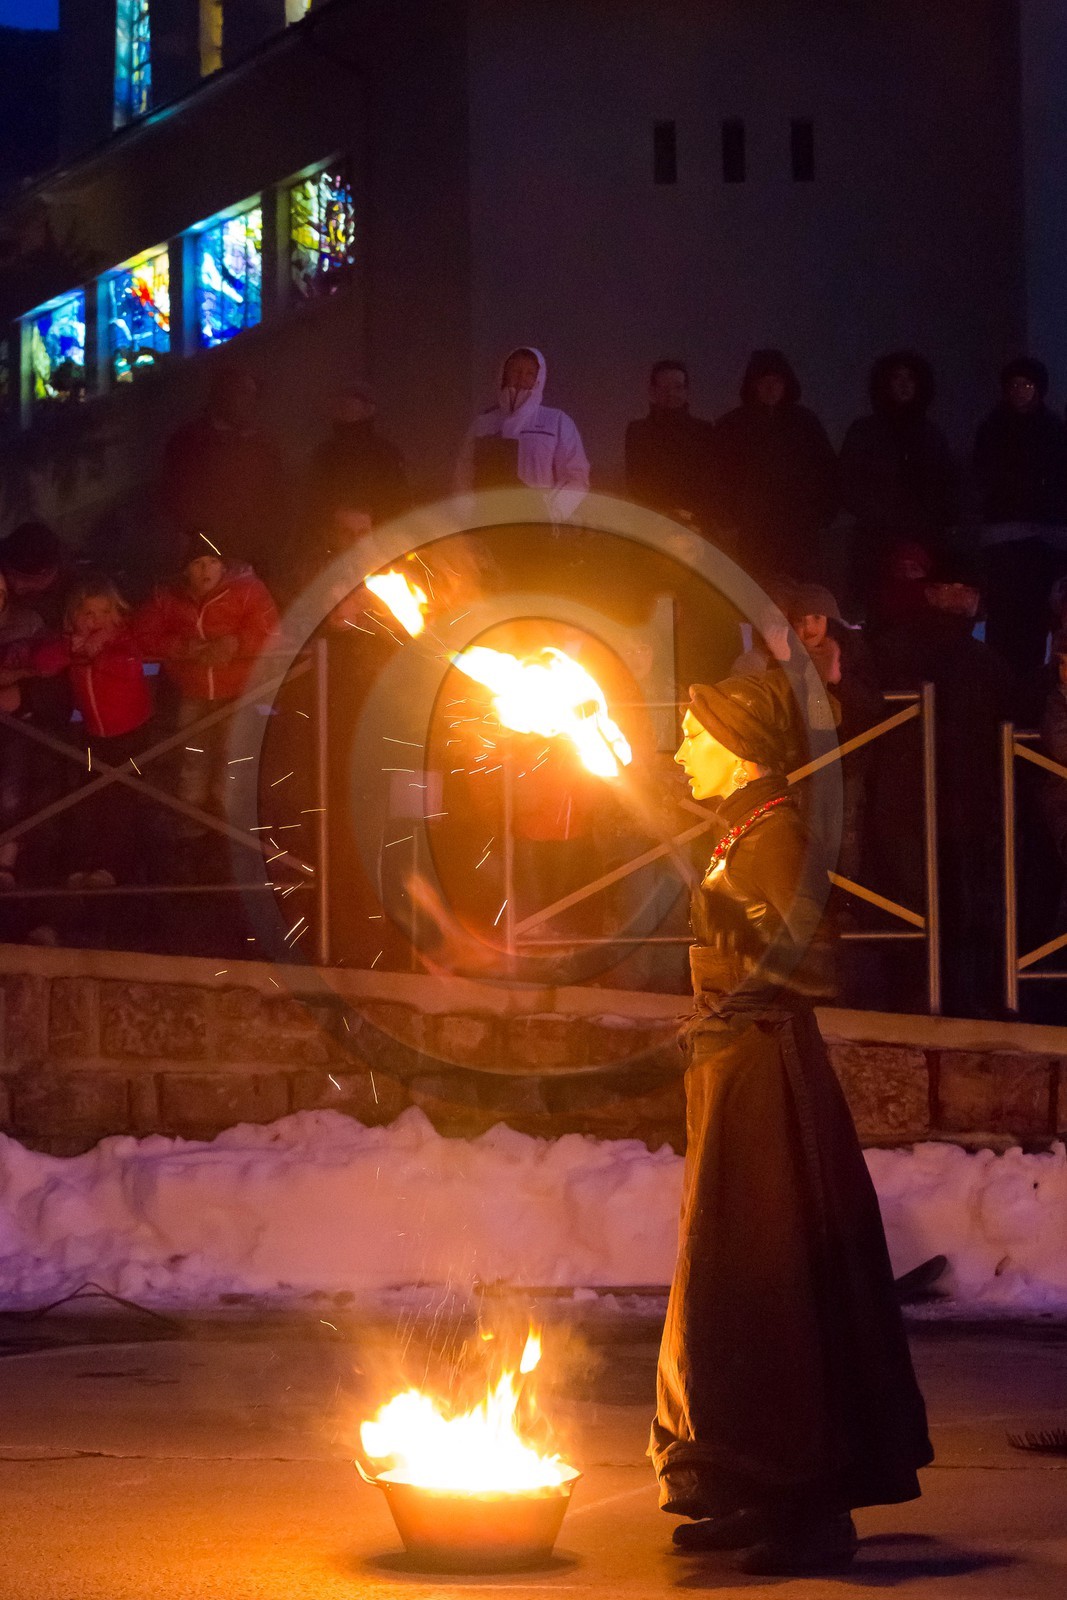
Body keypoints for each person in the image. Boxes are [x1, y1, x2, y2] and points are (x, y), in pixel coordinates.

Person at [653, 671, 931, 1575]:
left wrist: (738, 919)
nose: (679, 749)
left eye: (693, 734)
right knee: (730, 1283)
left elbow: (816, 965)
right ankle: (747, 1484)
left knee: (772, 1287)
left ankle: (806, 1508)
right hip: (733, 1077)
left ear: (738, 746)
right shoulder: (743, 826)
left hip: (768, 1083)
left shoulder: (773, 836)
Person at [872, 552, 1017, 1016]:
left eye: (969, 590)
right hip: (943, 801)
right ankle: (960, 999)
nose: (963, 598)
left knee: (930, 904)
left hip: (930, 801)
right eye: (954, 588)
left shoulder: (901, 649)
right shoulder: (968, 658)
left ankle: (929, 998)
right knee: (951, 905)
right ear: (932, 592)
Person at [134, 534, 280, 841]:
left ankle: (230, 824)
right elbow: (143, 633)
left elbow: (269, 628)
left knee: (233, 753)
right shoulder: (168, 597)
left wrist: (237, 643)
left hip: (240, 690)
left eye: (213, 561)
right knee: (193, 756)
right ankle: (193, 820)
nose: (206, 569)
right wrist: (179, 647)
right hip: (194, 691)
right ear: (185, 570)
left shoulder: (248, 590)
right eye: (198, 563)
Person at [12, 577, 153, 888]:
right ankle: (87, 863)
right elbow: (43, 662)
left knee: (121, 801)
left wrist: (97, 653)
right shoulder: (71, 642)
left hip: (130, 736)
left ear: (117, 612)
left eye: (103, 612)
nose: (96, 620)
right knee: (91, 799)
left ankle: (114, 869)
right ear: (73, 616)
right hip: (93, 735)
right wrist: (73, 650)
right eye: (87, 613)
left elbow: (129, 666)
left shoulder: (124, 640)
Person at [839, 351, 958, 615]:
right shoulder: (865, 431)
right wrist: (879, 514)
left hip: (924, 541)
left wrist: (935, 520)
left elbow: (947, 484)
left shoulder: (931, 435)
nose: (904, 384)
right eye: (896, 377)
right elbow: (848, 482)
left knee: (922, 614)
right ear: (885, 383)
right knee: (877, 613)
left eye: (910, 378)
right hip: (876, 542)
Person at [972, 357, 1067, 678]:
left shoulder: (1054, 430)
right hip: (1003, 540)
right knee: (1002, 620)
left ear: (1039, 389)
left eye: (1026, 385)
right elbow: (981, 479)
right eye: (1014, 385)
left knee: (1037, 620)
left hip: (1044, 541)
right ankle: (1003, 697)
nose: (1020, 391)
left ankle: (1026, 697)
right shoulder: (992, 429)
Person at [712, 350, 838, 581]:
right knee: (756, 600)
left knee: (804, 601)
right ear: (753, 385)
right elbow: (717, 477)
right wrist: (728, 518)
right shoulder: (732, 425)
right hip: (752, 533)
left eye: (777, 381)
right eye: (764, 381)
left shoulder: (805, 423)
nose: (771, 388)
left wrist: (822, 514)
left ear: (787, 384)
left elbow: (828, 470)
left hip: (799, 533)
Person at [157, 367, 290, 584]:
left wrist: (274, 539)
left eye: (250, 394)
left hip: (255, 545)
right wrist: (193, 536)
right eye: (239, 393)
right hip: (207, 546)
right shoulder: (190, 440)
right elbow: (177, 494)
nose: (246, 401)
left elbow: (277, 494)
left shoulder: (262, 442)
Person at [456, 347, 589, 522]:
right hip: (489, 523)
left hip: (537, 525)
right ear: (504, 374)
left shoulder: (556, 422)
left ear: (538, 379)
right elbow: (464, 475)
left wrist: (552, 513)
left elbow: (576, 476)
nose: (521, 378)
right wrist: (467, 518)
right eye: (516, 371)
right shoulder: (483, 424)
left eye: (529, 373)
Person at [305, 380, 409, 547]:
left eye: (352, 400)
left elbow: (397, 497)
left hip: (376, 541)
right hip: (332, 544)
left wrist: (378, 528)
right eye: (341, 401)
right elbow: (314, 497)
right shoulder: (325, 453)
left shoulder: (384, 452)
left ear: (369, 408)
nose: (345, 406)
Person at [624, 361, 718, 535]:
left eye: (678, 387)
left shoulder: (704, 430)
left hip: (697, 524)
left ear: (687, 390)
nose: (671, 393)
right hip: (652, 524)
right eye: (664, 387)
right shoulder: (638, 431)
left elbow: (711, 479)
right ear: (653, 391)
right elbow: (636, 478)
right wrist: (665, 514)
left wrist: (693, 514)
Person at [0, 571, 44, 889]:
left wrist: (21, 674)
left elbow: (49, 663)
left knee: (11, 795)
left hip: (17, 720)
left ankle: (6, 860)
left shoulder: (27, 622)